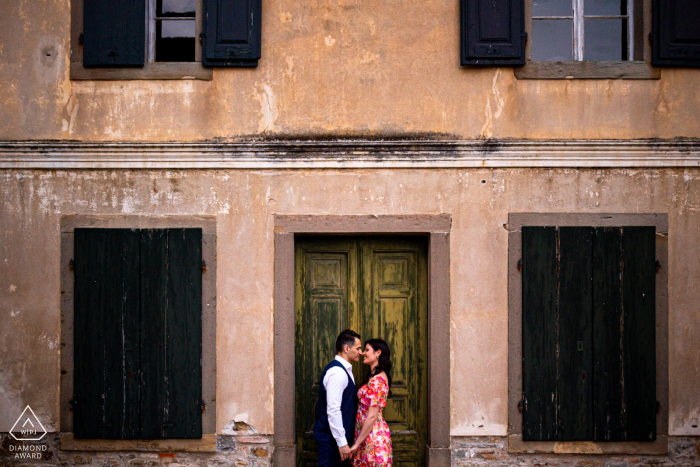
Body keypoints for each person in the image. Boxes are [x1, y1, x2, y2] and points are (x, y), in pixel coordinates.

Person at [314, 329, 363, 466]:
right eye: (358, 348)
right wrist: (341, 443)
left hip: (337, 441)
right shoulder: (337, 372)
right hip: (331, 441)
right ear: (346, 348)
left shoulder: (344, 370)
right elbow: (333, 410)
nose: (361, 352)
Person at [349, 339, 393, 467]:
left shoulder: (377, 381)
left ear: (378, 353)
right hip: (367, 436)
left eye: (367, 350)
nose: (363, 353)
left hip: (372, 438)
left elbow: (372, 415)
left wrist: (357, 443)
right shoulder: (374, 377)